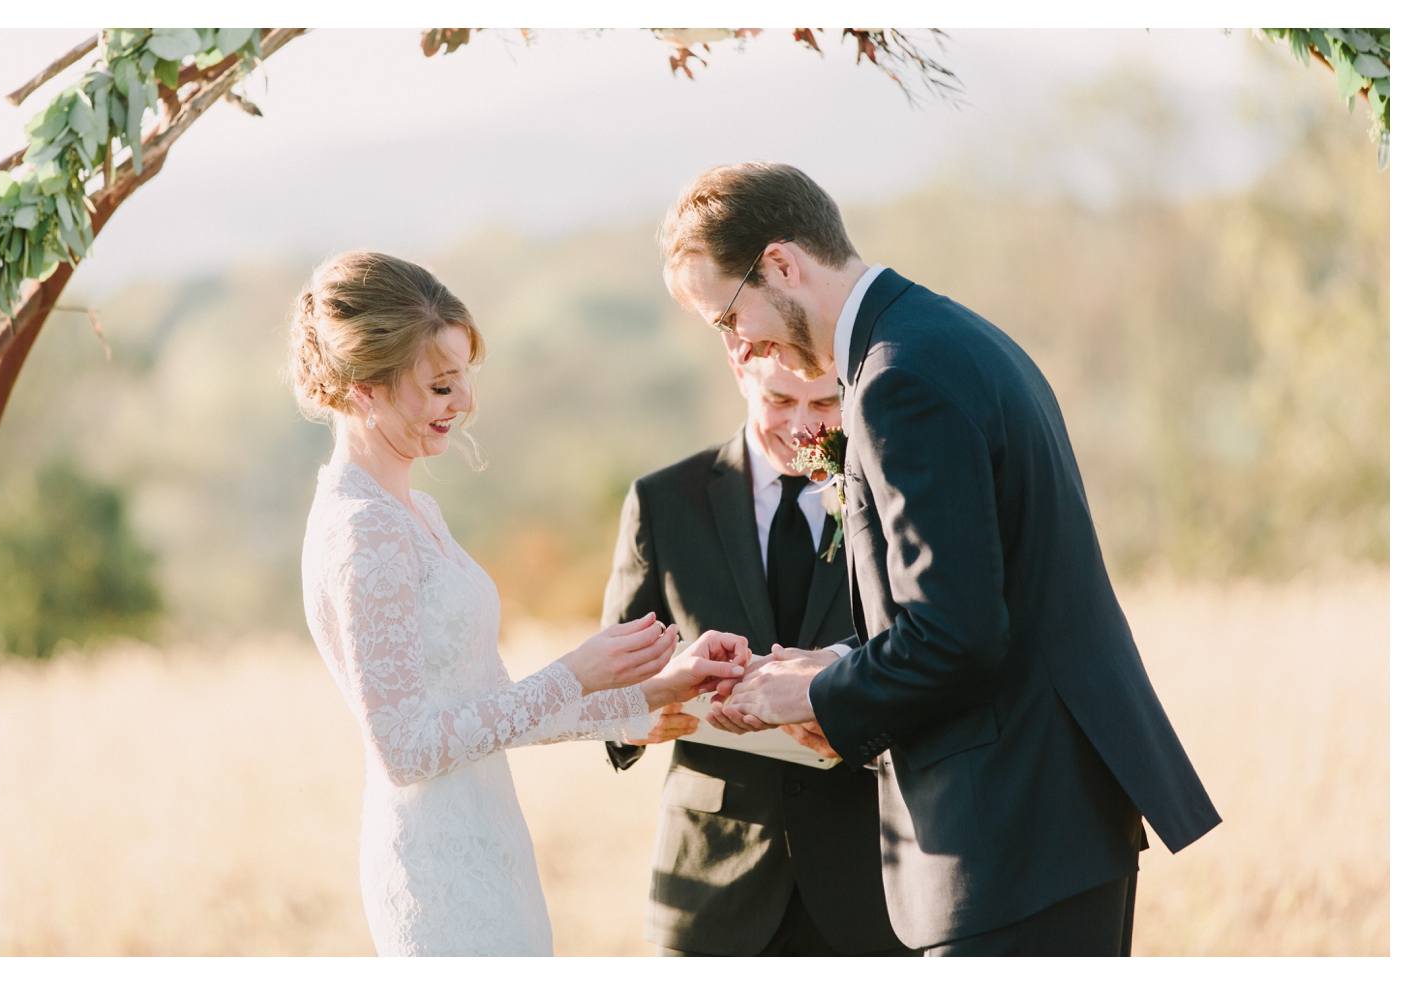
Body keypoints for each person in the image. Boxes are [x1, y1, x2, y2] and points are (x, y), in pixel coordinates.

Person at [659, 163, 1223, 956]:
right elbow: (971, 593)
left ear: (782, 264)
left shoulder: (899, 380)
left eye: (726, 314)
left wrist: (816, 693)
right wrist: (839, 657)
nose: (737, 343)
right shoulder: (940, 336)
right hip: (1045, 825)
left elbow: (956, 632)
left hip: (1007, 832)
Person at [291, 251, 749, 956]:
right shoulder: (364, 531)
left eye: (464, 379)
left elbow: (487, 704)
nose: (464, 402)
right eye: (441, 385)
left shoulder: (413, 510)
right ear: (364, 390)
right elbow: (406, 749)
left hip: (490, 840)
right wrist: (575, 671)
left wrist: (649, 695)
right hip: (438, 871)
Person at [602, 354, 916, 957]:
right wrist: (640, 713)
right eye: (779, 400)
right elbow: (610, 679)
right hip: (714, 882)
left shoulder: (889, 497)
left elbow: (923, 642)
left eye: (824, 404)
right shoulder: (663, 500)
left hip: (874, 873)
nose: (803, 425)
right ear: (740, 373)